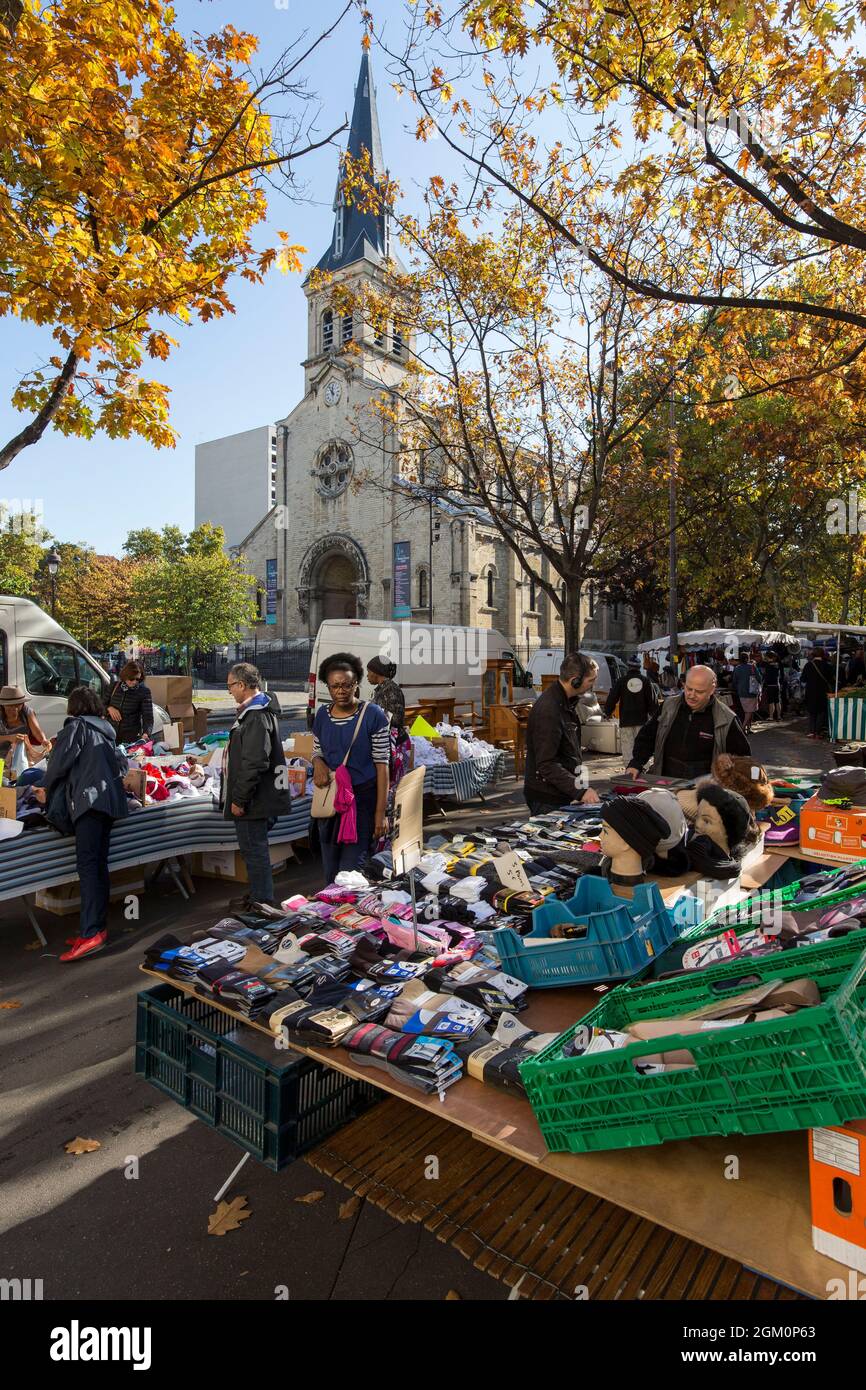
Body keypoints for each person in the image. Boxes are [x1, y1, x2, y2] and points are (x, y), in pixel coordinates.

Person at [32, 686, 129, 962]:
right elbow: (122, 767)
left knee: (88, 868)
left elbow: (58, 765)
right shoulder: (106, 730)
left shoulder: (76, 727)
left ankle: (91, 932)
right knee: (98, 866)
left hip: (89, 803)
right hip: (109, 804)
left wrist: (44, 788)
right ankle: (96, 927)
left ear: (74, 708)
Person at [312, 652, 390, 883]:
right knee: (330, 871)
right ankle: (331, 916)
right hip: (330, 805)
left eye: (347, 684)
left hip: (362, 804)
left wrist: (380, 813)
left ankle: (351, 916)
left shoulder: (373, 715)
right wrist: (318, 763)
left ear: (356, 684)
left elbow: (382, 765)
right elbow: (317, 750)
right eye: (334, 686)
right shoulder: (322, 716)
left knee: (351, 874)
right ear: (328, 687)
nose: (341, 690)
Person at [222, 662, 291, 908]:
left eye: (230, 685)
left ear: (242, 685)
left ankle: (262, 902)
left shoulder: (256, 715)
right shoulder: (257, 711)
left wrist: (239, 799)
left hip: (255, 800)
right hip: (261, 797)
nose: (229, 690)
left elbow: (254, 762)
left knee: (254, 850)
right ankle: (259, 896)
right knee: (255, 849)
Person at [625, 664, 750, 780]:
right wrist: (636, 763)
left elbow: (742, 759)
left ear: (712, 690)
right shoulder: (668, 706)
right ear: (683, 684)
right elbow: (647, 736)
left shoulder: (727, 718)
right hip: (666, 782)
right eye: (689, 689)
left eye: (699, 691)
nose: (691, 695)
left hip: (705, 789)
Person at [523, 651, 602, 814]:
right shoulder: (550, 709)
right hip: (546, 797)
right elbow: (546, 763)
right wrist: (580, 791)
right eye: (591, 681)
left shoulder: (565, 702)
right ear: (575, 681)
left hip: (557, 792)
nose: (592, 685)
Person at [604, 658, 660, 770]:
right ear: (639, 668)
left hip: (626, 720)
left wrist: (607, 712)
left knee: (627, 746)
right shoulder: (646, 681)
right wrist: (656, 717)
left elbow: (612, 698)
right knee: (642, 744)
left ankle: (629, 770)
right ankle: (643, 769)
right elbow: (653, 702)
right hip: (642, 720)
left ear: (629, 667)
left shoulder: (621, 681)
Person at [366, 656, 412, 790]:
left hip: (396, 745)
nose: (367, 675)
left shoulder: (391, 690)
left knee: (392, 788)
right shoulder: (381, 689)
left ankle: (391, 811)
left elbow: (396, 719)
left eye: (369, 671)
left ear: (376, 672)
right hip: (387, 745)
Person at [0, 684, 49, 768]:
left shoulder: (27, 712)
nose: (14, 708)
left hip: (21, 758)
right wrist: (9, 737)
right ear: (3, 705)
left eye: (17, 705)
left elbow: (37, 731)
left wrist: (44, 741)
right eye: (10, 705)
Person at [106, 661, 154, 746]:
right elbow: (101, 705)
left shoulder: (144, 692)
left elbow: (148, 716)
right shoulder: (114, 686)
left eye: (138, 679)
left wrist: (146, 733)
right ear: (125, 676)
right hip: (110, 734)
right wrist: (109, 708)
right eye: (132, 679)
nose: (134, 682)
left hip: (130, 738)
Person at [802, 647, 834, 739]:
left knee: (812, 712)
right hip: (823, 691)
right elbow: (831, 680)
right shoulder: (827, 665)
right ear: (823, 655)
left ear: (813, 655)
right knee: (821, 712)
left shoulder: (808, 665)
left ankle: (812, 731)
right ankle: (818, 732)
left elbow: (803, 679)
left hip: (810, 691)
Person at [730, 652, 762, 734]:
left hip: (741, 692)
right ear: (747, 658)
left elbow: (734, 681)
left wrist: (735, 688)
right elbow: (759, 678)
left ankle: (748, 728)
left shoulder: (737, 668)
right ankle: (743, 728)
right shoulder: (752, 667)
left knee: (747, 711)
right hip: (752, 692)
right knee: (749, 711)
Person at [760, 652, 782, 722]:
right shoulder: (778, 664)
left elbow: (763, 673)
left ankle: (771, 716)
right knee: (777, 701)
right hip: (777, 685)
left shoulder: (766, 665)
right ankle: (779, 716)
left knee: (771, 702)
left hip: (770, 685)